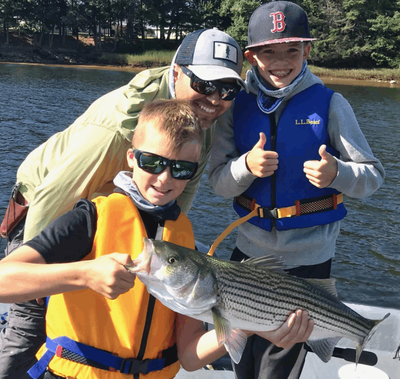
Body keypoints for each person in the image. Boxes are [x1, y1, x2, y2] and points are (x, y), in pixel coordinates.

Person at [0, 100, 313, 379]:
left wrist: (251, 323)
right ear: (132, 158)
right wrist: (84, 274)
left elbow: (190, 356)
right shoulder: (90, 218)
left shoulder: (182, 239)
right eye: (153, 162)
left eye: (181, 169)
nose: (165, 179)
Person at [0, 28, 245, 378]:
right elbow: (55, 195)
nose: (216, 98)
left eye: (228, 89)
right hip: (53, 211)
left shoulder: (200, 129)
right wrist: (54, 281)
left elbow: (175, 215)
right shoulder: (119, 124)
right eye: (205, 84)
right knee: (29, 326)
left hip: (128, 224)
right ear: (176, 72)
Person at [208, 2, 385, 379]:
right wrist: (245, 167)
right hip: (248, 254)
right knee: (242, 354)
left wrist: (337, 173)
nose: (281, 61)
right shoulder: (234, 106)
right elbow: (219, 183)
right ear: (252, 56)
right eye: (269, 51)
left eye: (292, 49)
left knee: (279, 363)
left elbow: (373, 177)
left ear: (308, 50)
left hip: (309, 261)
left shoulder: (331, 104)